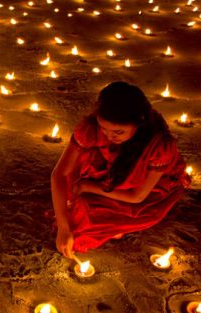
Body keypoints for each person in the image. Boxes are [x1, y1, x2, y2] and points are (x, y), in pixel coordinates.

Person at [51, 81, 190, 258]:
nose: (109, 136)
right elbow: (58, 175)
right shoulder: (91, 129)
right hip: (105, 175)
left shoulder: (158, 147)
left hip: (143, 191)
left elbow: (137, 196)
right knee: (69, 222)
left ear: (138, 124)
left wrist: (87, 187)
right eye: (103, 128)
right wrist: (63, 228)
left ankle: (118, 224)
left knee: (80, 233)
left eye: (118, 132)